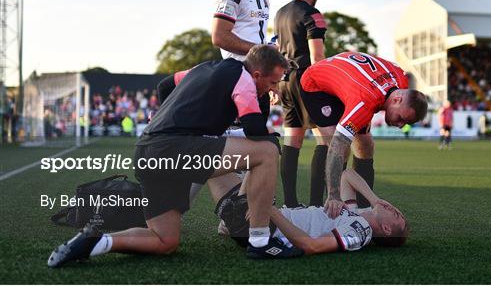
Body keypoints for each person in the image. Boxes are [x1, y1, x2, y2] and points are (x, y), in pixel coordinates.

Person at [47, 46, 303, 268]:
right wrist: (271, 130)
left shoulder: (202, 68)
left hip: (148, 150)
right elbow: (255, 130)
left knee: (164, 240)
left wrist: (166, 116)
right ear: (257, 73)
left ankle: (96, 242)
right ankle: (260, 242)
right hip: (175, 148)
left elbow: (165, 85)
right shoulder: (245, 78)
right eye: (272, 83)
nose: (272, 90)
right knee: (268, 150)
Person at [299, 52, 428, 218]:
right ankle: (321, 207)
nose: (401, 125)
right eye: (401, 118)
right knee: (337, 147)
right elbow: (336, 147)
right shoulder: (364, 102)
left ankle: (364, 208)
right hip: (317, 85)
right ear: (397, 100)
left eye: (406, 123)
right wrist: (334, 194)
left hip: (352, 82)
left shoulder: (401, 79)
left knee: (366, 146)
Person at [209, 166, 408, 256]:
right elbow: (347, 175)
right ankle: (229, 222)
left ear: (386, 229)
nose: (394, 209)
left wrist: (268, 208)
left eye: (396, 215)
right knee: (210, 161)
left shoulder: (360, 230)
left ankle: (235, 213)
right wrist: (376, 200)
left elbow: (311, 246)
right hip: (255, 220)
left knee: (264, 153)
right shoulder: (358, 214)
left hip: (265, 226)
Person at [274, 0, 328, 208]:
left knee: (292, 141)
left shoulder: (279, 13)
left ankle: (291, 204)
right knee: (327, 141)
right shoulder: (313, 14)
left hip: (284, 80)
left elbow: (276, 50)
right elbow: (317, 56)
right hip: (306, 79)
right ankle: (317, 204)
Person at [212, 0, 276, 120]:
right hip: (238, 75)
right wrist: (262, 52)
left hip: (258, 77)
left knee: (259, 141)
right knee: (244, 141)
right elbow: (219, 36)